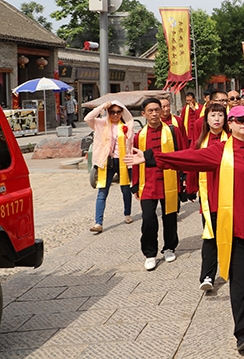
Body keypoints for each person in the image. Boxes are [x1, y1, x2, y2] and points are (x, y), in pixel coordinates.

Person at [126, 105, 244, 352]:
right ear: (230, 124)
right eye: (239, 120)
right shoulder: (220, 151)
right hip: (234, 224)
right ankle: (241, 332)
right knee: (240, 278)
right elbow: (188, 157)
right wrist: (152, 157)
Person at [131, 98, 187, 271]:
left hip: (170, 180)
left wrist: (184, 179)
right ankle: (150, 253)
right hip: (148, 183)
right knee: (148, 219)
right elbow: (134, 160)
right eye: (150, 111)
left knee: (170, 217)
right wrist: (135, 184)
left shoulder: (173, 131)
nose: (155, 113)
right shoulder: (139, 136)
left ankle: (169, 247)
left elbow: (183, 154)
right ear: (143, 114)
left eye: (157, 110)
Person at [184, 102, 229, 292]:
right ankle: (207, 275)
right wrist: (191, 187)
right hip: (209, 197)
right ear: (206, 119)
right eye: (213, 115)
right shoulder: (200, 142)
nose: (217, 119)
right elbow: (193, 163)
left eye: (220, 115)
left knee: (231, 237)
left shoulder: (233, 140)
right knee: (210, 236)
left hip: (230, 197)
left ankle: (230, 270)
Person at [85, 100, 135, 233]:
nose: (115, 115)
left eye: (118, 112)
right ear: (108, 112)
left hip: (122, 160)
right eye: (112, 112)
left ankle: (127, 214)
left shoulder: (126, 126)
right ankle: (98, 222)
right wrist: (102, 106)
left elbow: (131, 144)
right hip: (106, 161)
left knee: (125, 189)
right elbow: (87, 118)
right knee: (102, 192)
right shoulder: (101, 124)